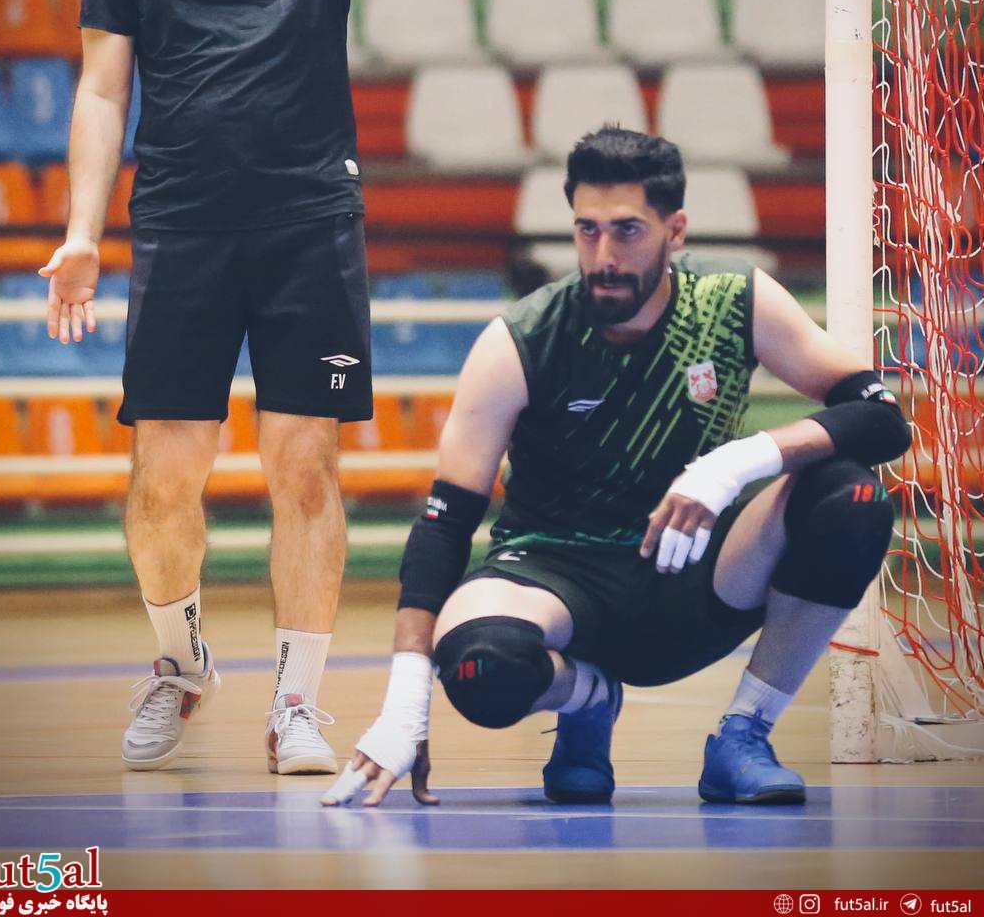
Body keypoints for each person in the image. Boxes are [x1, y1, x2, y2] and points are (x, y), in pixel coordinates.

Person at [37, 0, 505, 775]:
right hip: (181, 226)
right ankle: (180, 662)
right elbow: (102, 89)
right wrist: (81, 230)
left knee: (304, 468)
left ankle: (297, 701)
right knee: (165, 479)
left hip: (309, 224)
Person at [322, 126, 911, 808]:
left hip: (695, 569)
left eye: (627, 231)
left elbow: (879, 416)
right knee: (481, 671)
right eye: (587, 230)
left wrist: (733, 464)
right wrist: (405, 705)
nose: (604, 256)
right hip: (552, 575)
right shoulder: (522, 339)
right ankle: (587, 700)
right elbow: (443, 525)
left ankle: (744, 734)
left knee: (851, 498)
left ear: (674, 230)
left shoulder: (732, 301)